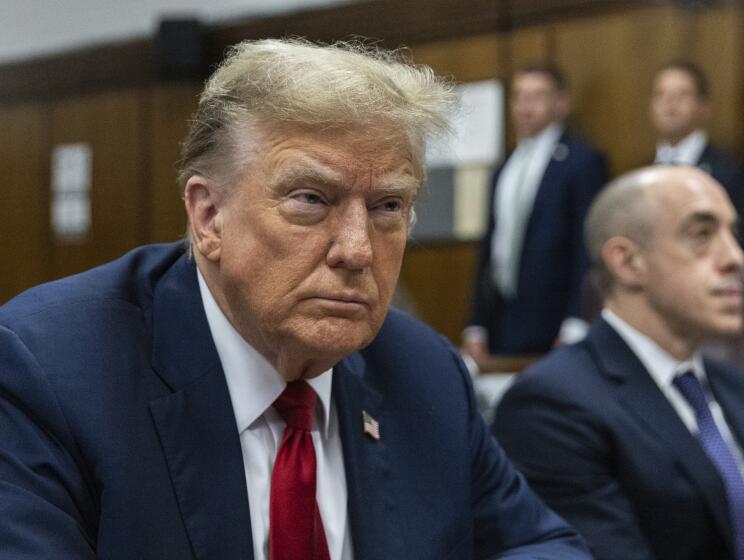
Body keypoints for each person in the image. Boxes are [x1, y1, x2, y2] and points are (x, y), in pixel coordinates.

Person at [0, 39, 591, 559]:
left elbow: (540, 544)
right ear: (208, 217)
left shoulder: (425, 373)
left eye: (388, 207)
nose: (358, 250)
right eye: (311, 199)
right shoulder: (51, 370)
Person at [493, 166, 744, 560]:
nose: (737, 258)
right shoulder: (551, 406)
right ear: (627, 263)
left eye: (734, 234)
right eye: (702, 234)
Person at [463, 63, 608, 359]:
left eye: (537, 96)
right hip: (502, 322)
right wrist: (476, 324)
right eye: (519, 96)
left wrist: (577, 321)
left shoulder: (582, 162)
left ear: (561, 103)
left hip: (556, 324)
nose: (525, 106)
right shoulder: (504, 166)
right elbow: (491, 247)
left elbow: (587, 246)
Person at [650, 60, 744, 261]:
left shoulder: (732, 172)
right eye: (661, 95)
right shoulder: (640, 174)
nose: (669, 103)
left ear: (703, 107)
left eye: (681, 95)